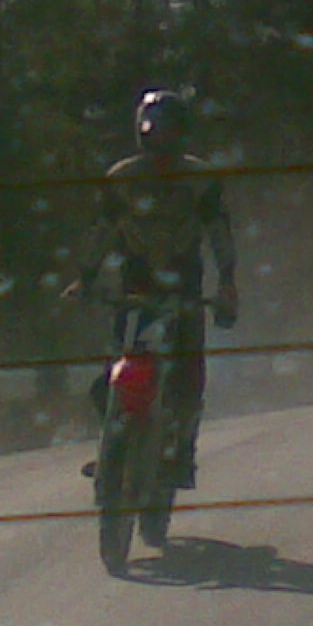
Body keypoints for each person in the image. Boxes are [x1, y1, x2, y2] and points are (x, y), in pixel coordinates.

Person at [63, 87, 238, 490]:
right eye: (153, 129)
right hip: (136, 283)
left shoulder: (200, 180)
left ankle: (183, 450)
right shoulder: (122, 179)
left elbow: (219, 234)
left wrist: (227, 283)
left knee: (188, 373)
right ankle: (113, 443)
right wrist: (85, 277)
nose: (160, 139)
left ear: (182, 132)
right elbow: (103, 231)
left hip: (185, 283)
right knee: (114, 369)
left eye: (167, 130)